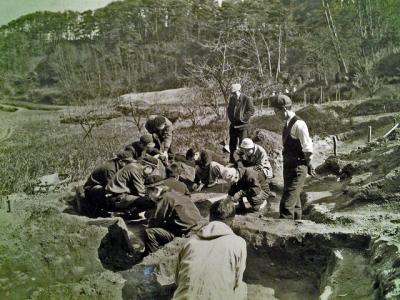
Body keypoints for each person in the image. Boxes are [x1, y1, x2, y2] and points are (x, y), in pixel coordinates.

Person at [173, 199, 247, 300]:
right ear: (232, 222)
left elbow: (177, 280)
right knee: (242, 288)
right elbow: (237, 283)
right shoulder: (239, 243)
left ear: (209, 219)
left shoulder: (190, 243)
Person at [271, 94, 315, 220]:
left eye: (276, 112)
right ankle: (296, 229)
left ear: (284, 110)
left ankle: (285, 233)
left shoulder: (299, 124)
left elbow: (308, 148)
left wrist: (309, 164)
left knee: (286, 205)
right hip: (289, 166)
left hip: (297, 167)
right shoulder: (287, 123)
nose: (275, 115)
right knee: (295, 201)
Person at [143, 177, 206, 254]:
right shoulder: (174, 193)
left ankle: (152, 256)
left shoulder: (165, 198)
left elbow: (156, 222)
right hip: (198, 226)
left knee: (149, 232)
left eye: (148, 193)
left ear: (156, 190)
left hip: (186, 233)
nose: (149, 196)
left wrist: (149, 219)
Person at [83, 151, 133, 217]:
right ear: (120, 162)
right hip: (92, 188)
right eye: (127, 163)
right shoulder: (110, 169)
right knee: (111, 194)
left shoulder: (117, 165)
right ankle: (103, 211)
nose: (129, 165)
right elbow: (112, 187)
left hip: (103, 185)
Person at [227, 83, 255, 163]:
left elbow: (251, 111)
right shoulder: (232, 99)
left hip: (243, 126)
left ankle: (243, 162)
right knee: (232, 145)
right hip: (233, 126)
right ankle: (232, 161)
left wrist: (242, 119)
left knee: (243, 145)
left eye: (235, 93)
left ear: (238, 91)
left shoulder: (246, 99)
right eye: (232, 93)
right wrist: (232, 119)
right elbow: (229, 110)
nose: (233, 95)